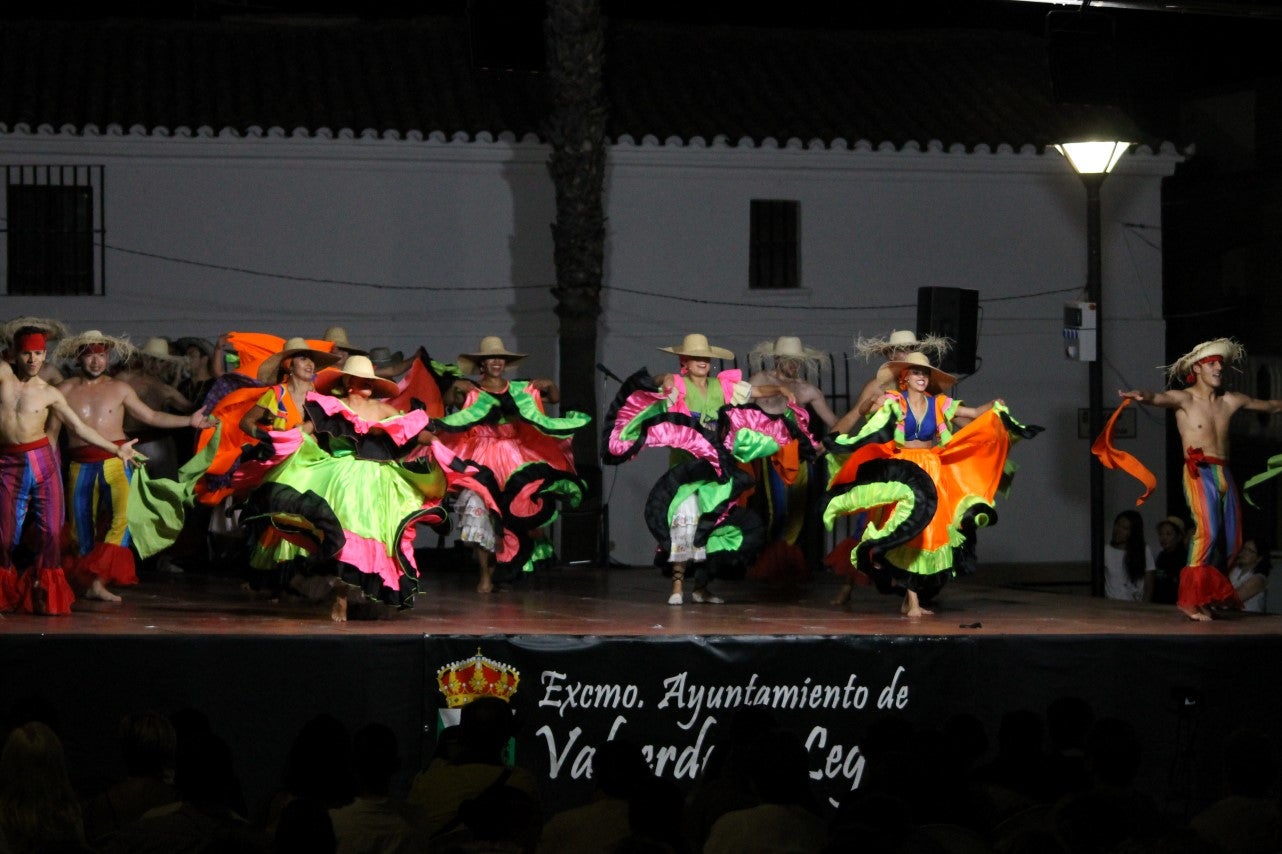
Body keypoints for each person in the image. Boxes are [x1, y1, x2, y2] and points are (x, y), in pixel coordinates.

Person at [824, 351, 1039, 616]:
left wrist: (993, 406)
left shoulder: (939, 404)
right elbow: (869, 411)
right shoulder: (895, 401)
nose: (922, 377)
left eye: (925, 373)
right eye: (916, 372)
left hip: (932, 470)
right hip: (903, 473)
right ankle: (911, 601)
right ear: (905, 377)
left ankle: (910, 600)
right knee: (908, 530)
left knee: (925, 534)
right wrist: (869, 403)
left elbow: (972, 412)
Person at [602, 333, 801, 605]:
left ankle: (702, 586)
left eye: (705, 358)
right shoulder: (679, 385)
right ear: (685, 361)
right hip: (687, 471)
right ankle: (677, 586)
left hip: (716, 472)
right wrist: (664, 379)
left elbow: (754, 392)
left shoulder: (722, 387)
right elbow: (653, 386)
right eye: (696, 358)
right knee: (685, 524)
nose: (702, 362)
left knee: (715, 526)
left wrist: (780, 390)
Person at [1118, 337, 1282, 620]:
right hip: (1199, 470)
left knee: (1230, 541)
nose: (1219, 367)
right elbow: (1158, 397)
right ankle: (1190, 600)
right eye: (1213, 363)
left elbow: (1269, 406)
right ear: (1198, 368)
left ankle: (1208, 596)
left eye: (1220, 363)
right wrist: (1142, 395)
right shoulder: (1185, 399)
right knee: (1207, 531)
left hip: (1224, 472)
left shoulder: (1230, 401)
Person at [52, 330, 209, 603]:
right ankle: (87, 582)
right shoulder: (63, 390)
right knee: (80, 530)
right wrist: (48, 468)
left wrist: (188, 421)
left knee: (123, 521)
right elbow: (52, 433)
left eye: (101, 355)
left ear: (107, 357)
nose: (96, 361)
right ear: (80, 358)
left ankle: (99, 580)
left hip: (117, 461)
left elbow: (150, 415)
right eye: (90, 355)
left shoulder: (119, 388)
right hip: (80, 464)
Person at [0, 323, 140, 615]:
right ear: (16, 354)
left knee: (51, 534)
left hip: (42, 463)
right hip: (9, 463)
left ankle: (45, 596)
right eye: (27, 354)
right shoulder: (3, 376)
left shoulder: (50, 393)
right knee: (6, 536)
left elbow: (78, 427)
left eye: (39, 353)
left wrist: (116, 449)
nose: (33, 360)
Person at [433, 336, 589, 594]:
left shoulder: (519, 389)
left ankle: (506, 570)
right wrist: (455, 386)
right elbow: (449, 400)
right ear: (482, 364)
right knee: (478, 506)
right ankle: (484, 574)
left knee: (513, 512)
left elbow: (553, 397)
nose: (497, 362)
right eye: (491, 358)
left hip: (515, 457)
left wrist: (549, 385)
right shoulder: (473, 390)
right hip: (482, 455)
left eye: (500, 358)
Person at [745, 336, 837, 584]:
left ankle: (784, 561)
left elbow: (836, 423)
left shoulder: (806, 389)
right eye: (789, 360)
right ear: (777, 359)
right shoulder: (760, 380)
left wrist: (826, 445)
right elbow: (737, 410)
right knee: (779, 508)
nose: (794, 365)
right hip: (770, 453)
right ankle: (769, 559)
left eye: (798, 361)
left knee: (799, 509)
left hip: (800, 454)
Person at [833, 328, 953, 432]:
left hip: (918, 454)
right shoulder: (877, 386)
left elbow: (953, 413)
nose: (909, 353)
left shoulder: (927, 386)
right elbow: (852, 416)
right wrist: (826, 445)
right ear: (890, 355)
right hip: (886, 453)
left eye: (912, 348)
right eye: (903, 349)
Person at [114, 336, 197, 481]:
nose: (156, 365)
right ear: (144, 358)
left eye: (161, 361)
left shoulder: (164, 389)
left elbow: (191, 409)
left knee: (160, 489)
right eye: (153, 360)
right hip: (133, 443)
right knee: (139, 491)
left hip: (154, 443)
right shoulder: (124, 379)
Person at [1102, 510, 1155, 602]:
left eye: (1125, 528)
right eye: (1117, 525)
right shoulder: (1105, 551)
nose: (1118, 530)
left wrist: (1145, 606)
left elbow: (1149, 583)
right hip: (1112, 604)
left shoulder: (1143, 550)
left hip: (1135, 605)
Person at [1229, 536, 1271, 613]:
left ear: (1259, 558)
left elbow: (1235, 599)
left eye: (1250, 551)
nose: (1244, 552)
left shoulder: (1259, 579)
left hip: (1252, 620)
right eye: (1244, 548)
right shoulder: (1235, 570)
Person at [1151, 516, 1187, 605]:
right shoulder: (1161, 556)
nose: (1163, 538)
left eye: (1168, 534)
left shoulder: (1184, 558)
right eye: (1161, 534)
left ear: (1179, 537)